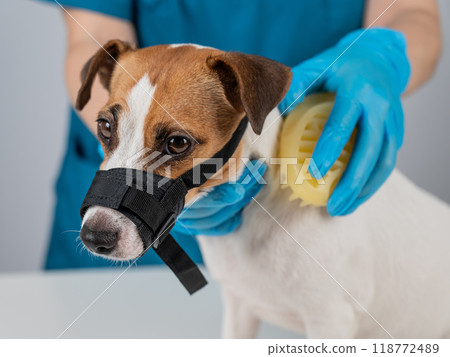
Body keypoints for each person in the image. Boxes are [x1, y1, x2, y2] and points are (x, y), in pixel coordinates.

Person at [40, 0, 442, 269]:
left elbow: (412, 10)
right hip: (123, 273)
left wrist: (383, 55)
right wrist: (127, 152)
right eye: (109, 128)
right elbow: (88, 34)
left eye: (176, 145)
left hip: (302, 184)